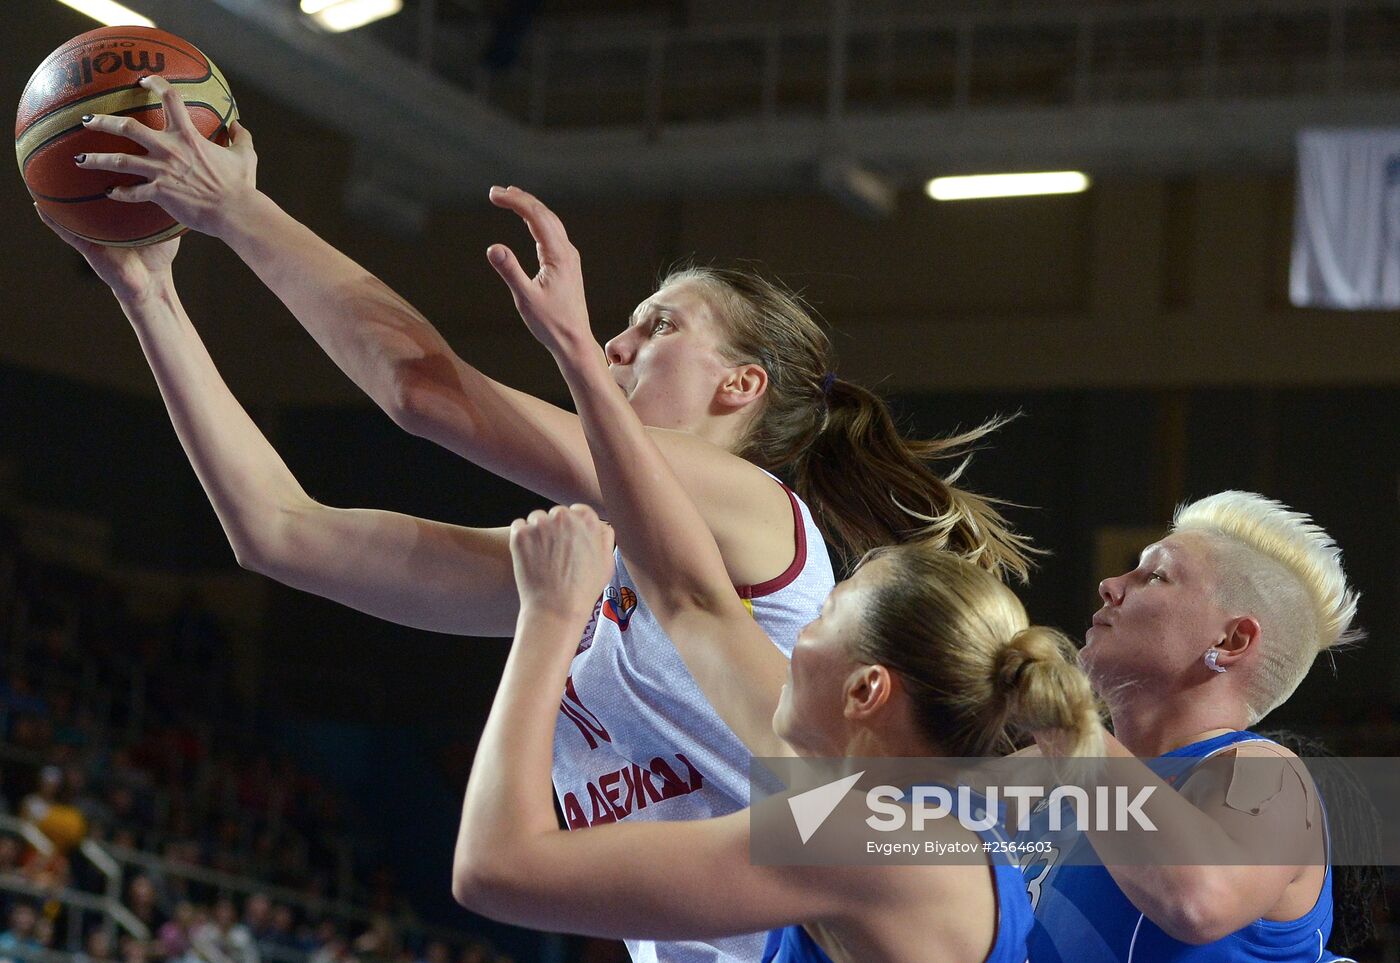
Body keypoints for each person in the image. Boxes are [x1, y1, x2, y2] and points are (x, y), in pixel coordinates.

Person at [59, 79, 1032, 963]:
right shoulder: (583, 569)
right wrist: (149, 297)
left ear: (742, 385)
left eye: (660, 325)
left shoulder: (752, 510)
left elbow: (424, 394)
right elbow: (281, 534)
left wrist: (241, 211)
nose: (619, 339)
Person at [1023, 491, 1362, 962]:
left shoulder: (1266, 774)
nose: (1109, 584)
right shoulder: (1050, 765)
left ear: (1231, 640)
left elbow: (1201, 901)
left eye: (1155, 576)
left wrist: (1055, 712)